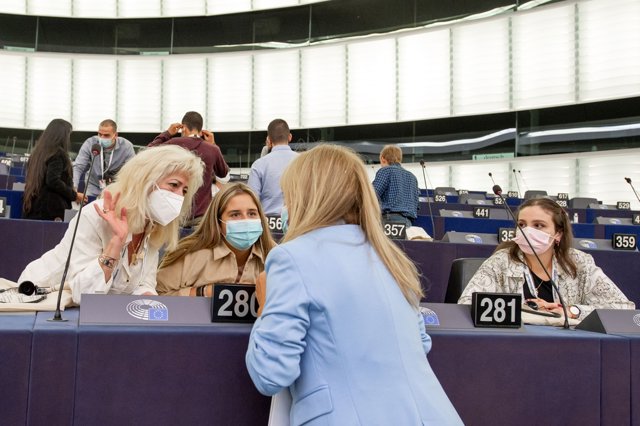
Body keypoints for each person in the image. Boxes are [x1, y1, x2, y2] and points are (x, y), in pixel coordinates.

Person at [246, 144, 462, 425]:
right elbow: (421, 344)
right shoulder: (392, 257)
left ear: (306, 197)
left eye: (288, 196)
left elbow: (270, 374)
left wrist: (265, 308)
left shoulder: (291, 257)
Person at [18, 145, 204, 304]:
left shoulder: (153, 226)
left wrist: (150, 301)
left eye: (184, 190)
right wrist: (116, 243)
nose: (179, 196)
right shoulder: (95, 215)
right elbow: (84, 294)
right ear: (145, 180)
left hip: (94, 314)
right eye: (174, 185)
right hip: (39, 299)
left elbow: (144, 283)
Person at [458, 198, 635, 319]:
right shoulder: (500, 262)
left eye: (538, 225)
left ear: (558, 234)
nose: (527, 231)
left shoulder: (580, 262)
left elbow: (623, 308)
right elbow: (467, 304)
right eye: (522, 225)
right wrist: (527, 311)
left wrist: (572, 311)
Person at [156, 183, 275, 296]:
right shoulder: (189, 255)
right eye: (235, 214)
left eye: (252, 214)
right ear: (218, 222)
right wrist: (202, 292)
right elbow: (157, 295)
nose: (245, 220)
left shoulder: (276, 256)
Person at [148, 111, 229, 226]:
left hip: (174, 215)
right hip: (201, 217)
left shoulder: (172, 144)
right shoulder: (212, 149)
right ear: (201, 131)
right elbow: (223, 173)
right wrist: (214, 144)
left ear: (184, 128)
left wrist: (167, 133)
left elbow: (147, 152)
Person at [23, 119, 85, 221]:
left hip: (32, 206)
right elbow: (53, 180)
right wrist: (74, 195)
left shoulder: (36, 154)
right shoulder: (58, 154)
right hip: (53, 209)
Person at [72, 119, 135, 197]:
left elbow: (132, 171)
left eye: (106, 135)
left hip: (115, 187)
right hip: (93, 186)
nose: (102, 137)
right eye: (100, 134)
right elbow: (78, 166)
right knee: (90, 204)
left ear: (115, 135)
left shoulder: (126, 146)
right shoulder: (90, 143)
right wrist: (74, 188)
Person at [247, 119, 298, 215]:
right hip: (297, 220)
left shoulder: (259, 165)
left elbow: (251, 200)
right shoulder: (304, 162)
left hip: (267, 221)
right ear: (290, 137)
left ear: (269, 140)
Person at [372, 144, 419, 227]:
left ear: (382, 159)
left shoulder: (385, 171)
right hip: (408, 222)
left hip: (388, 220)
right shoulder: (412, 177)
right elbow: (417, 205)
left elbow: (372, 195)